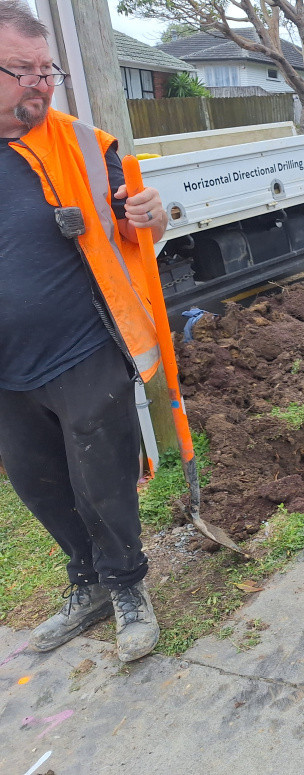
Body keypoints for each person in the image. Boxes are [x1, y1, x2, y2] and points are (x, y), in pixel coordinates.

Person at [0, 0, 167, 662]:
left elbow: (144, 224)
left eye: (49, 70)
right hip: (8, 370)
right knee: (36, 482)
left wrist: (152, 214)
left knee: (102, 478)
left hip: (83, 349)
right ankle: (88, 581)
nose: (40, 84)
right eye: (23, 69)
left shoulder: (84, 145)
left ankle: (127, 586)